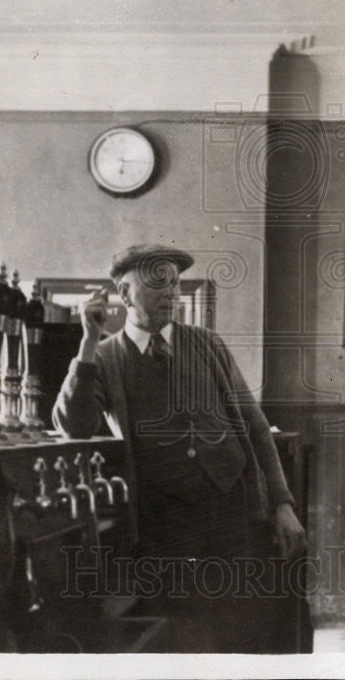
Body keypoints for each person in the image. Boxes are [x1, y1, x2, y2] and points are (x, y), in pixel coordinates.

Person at [53, 244, 306, 652]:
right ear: (124, 292)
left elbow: (256, 428)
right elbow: (73, 426)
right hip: (163, 527)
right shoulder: (104, 357)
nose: (170, 293)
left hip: (232, 515)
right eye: (156, 284)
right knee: (184, 637)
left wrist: (282, 504)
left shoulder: (209, 345)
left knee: (240, 631)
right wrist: (87, 342)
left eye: (173, 283)